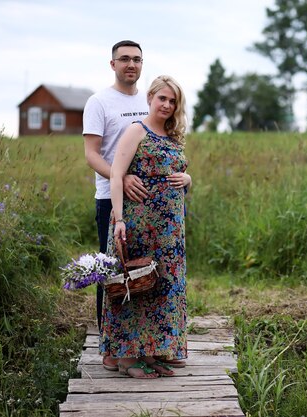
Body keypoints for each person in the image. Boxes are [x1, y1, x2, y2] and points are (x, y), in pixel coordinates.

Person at [100, 75, 191, 379]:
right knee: (134, 287)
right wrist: (119, 218)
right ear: (151, 98)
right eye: (162, 98)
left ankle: (152, 351)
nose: (167, 104)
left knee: (161, 286)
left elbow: (176, 172)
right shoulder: (136, 130)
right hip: (139, 223)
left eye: (172, 100)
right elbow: (116, 174)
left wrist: (188, 180)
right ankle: (126, 358)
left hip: (169, 231)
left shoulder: (173, 135)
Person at [82, 40, 150, 373]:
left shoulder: (150, 99)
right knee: (111, 270)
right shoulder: (99, 102)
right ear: (112, 64)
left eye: (137, 59)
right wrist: (120, 177)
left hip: (148, 199)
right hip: (111, 197)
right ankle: (108, 347)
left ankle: (143, 343)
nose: (131, 64)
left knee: (144, 270)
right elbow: (92, 154)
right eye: (124, 59)